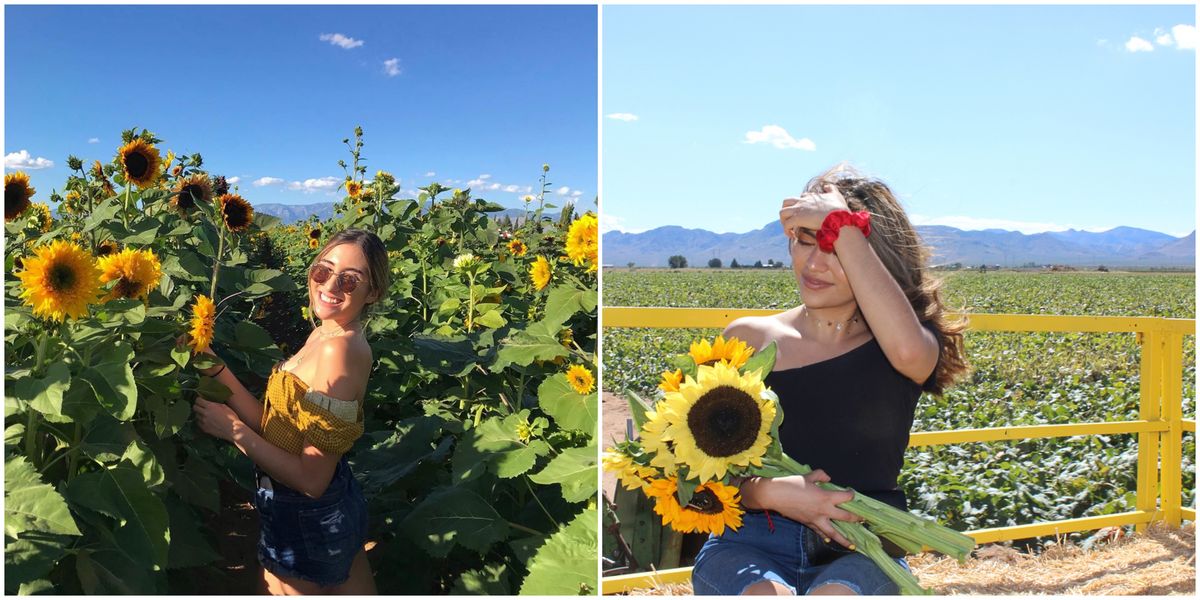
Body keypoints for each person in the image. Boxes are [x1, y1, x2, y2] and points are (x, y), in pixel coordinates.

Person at [690, 165, 968, 596]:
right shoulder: (744, 340)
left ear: (871, 256)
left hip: (864, 550)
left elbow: (910, 353)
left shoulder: (904, 344)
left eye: (834, 246)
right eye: (804, 241)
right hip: (750, 545)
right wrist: (770, 494)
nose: (815, 263)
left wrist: (843, 226)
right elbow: (691, 475)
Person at [191, 228, 388, 594]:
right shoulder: (326, 333)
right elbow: (281, 429)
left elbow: (311, 480)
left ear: (372, 292)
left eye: (350, 280)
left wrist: (233, 431)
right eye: (323, 271)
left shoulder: (339, 351)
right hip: (331, 504)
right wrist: (211, 362)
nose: (331, 285)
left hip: (305, 517)